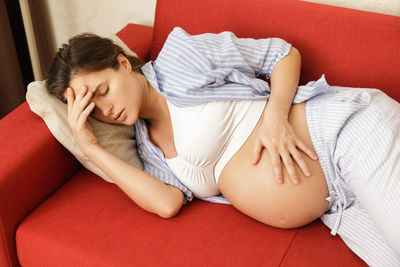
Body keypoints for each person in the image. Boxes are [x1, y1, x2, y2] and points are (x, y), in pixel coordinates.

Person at [46, 27, 400, 266]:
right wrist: (91, 147)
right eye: (94, 110)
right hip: (336, 208)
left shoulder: (179, 57)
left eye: (103, 92)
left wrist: (274, 118)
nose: (106, 110)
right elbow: (167, 203)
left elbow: (282, 54)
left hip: (344, 135)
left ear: (122, 64)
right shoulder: (147, 147)